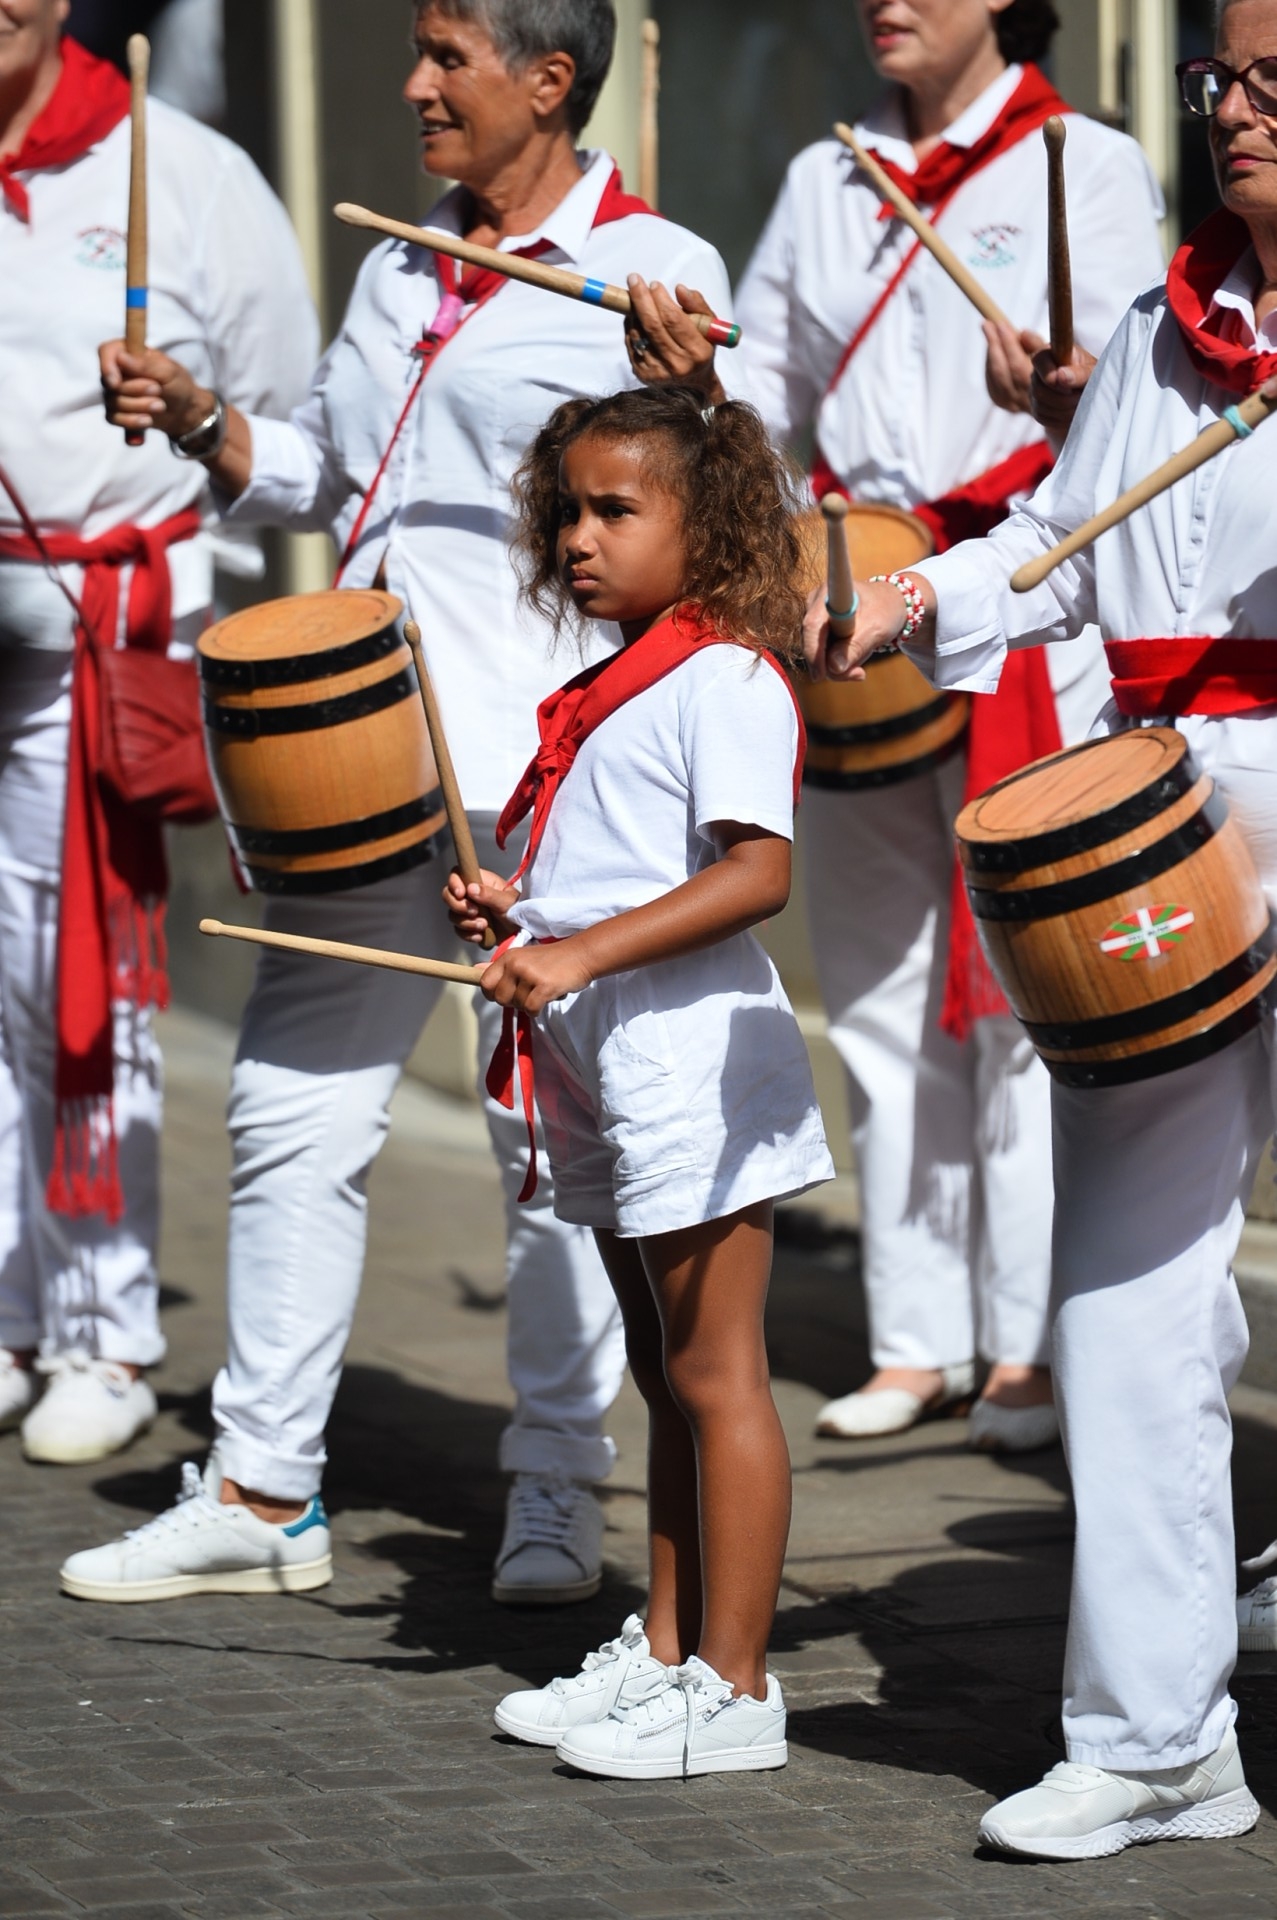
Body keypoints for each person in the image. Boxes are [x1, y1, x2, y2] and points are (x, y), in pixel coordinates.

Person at [64, 0, 737, 1606]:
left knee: (543, 1144)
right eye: (419, 52)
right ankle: (261, 1482)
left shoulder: (654, 268)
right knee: (290, 1110)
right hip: (359, 769)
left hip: (537, 773)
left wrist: (690, 401)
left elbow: (722, 509)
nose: (416, 84)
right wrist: (214, 426)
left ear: (550, 81)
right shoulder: (392, 259)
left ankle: (561, 1488)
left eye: (451, 58)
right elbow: (337, 475)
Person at [810, 0, 1277, 1857]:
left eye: (1269, 83)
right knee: (1126, 1290)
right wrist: (907, 598)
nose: (1230, 113)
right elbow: (1057, 546)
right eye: (1217, 82)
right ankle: (1157, 1735)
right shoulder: (1170, 325)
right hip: (1161, 822)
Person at [732, 0, 1166, 1449]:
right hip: (854, 602)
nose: (885, 3)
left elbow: (1146, 411)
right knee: (873, 988)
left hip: (1011, 605)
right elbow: (760, 395)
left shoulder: (1082, 165)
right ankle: (910, 1334)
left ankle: (1025, 1344)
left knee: (1017, 994)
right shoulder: (824, 176)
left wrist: (1064, 387)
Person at [459, 385, 833, 1777]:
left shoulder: (724, 675)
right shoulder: (609, 685)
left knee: (715, 1370)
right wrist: (517, 921)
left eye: (615, 510)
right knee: (659, 1372)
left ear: (710, 525)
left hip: (685, 1050)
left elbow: (756, 872)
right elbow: (606, 873)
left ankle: (733, 1689)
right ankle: (667, 1648)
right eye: (566, 507)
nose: (576, 536)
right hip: (601, 1049)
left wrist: (580, 951)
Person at [0, 0, 313, 1463]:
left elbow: (279, 416)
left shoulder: (180, 172)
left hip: (91, 639)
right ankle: (12, 1309)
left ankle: (102, 1328)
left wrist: (193, 614)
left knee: (72, 975)